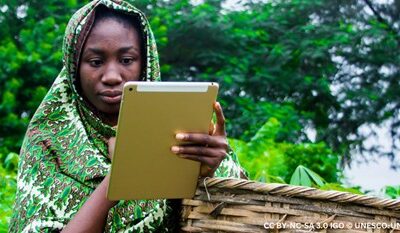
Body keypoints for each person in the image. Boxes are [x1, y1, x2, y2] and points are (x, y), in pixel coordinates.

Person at [9, 0, 245, 232]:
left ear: (145, 64)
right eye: (95, 61)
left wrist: (210, 172)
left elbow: (242, 217)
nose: (112, 76)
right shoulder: (48, 138)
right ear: (73, 67)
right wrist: (123, 172)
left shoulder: (185, 131)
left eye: (126, 60)